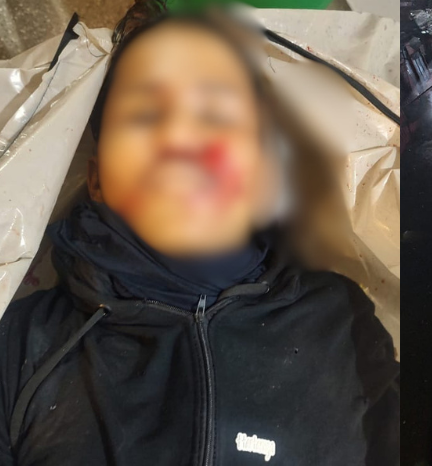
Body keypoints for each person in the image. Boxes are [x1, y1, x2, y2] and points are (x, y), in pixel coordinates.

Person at [0, 2, 399, 465]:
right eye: (146, 114)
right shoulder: (21, 344)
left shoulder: (341, 318)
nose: (183, 139)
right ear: (96, 180)